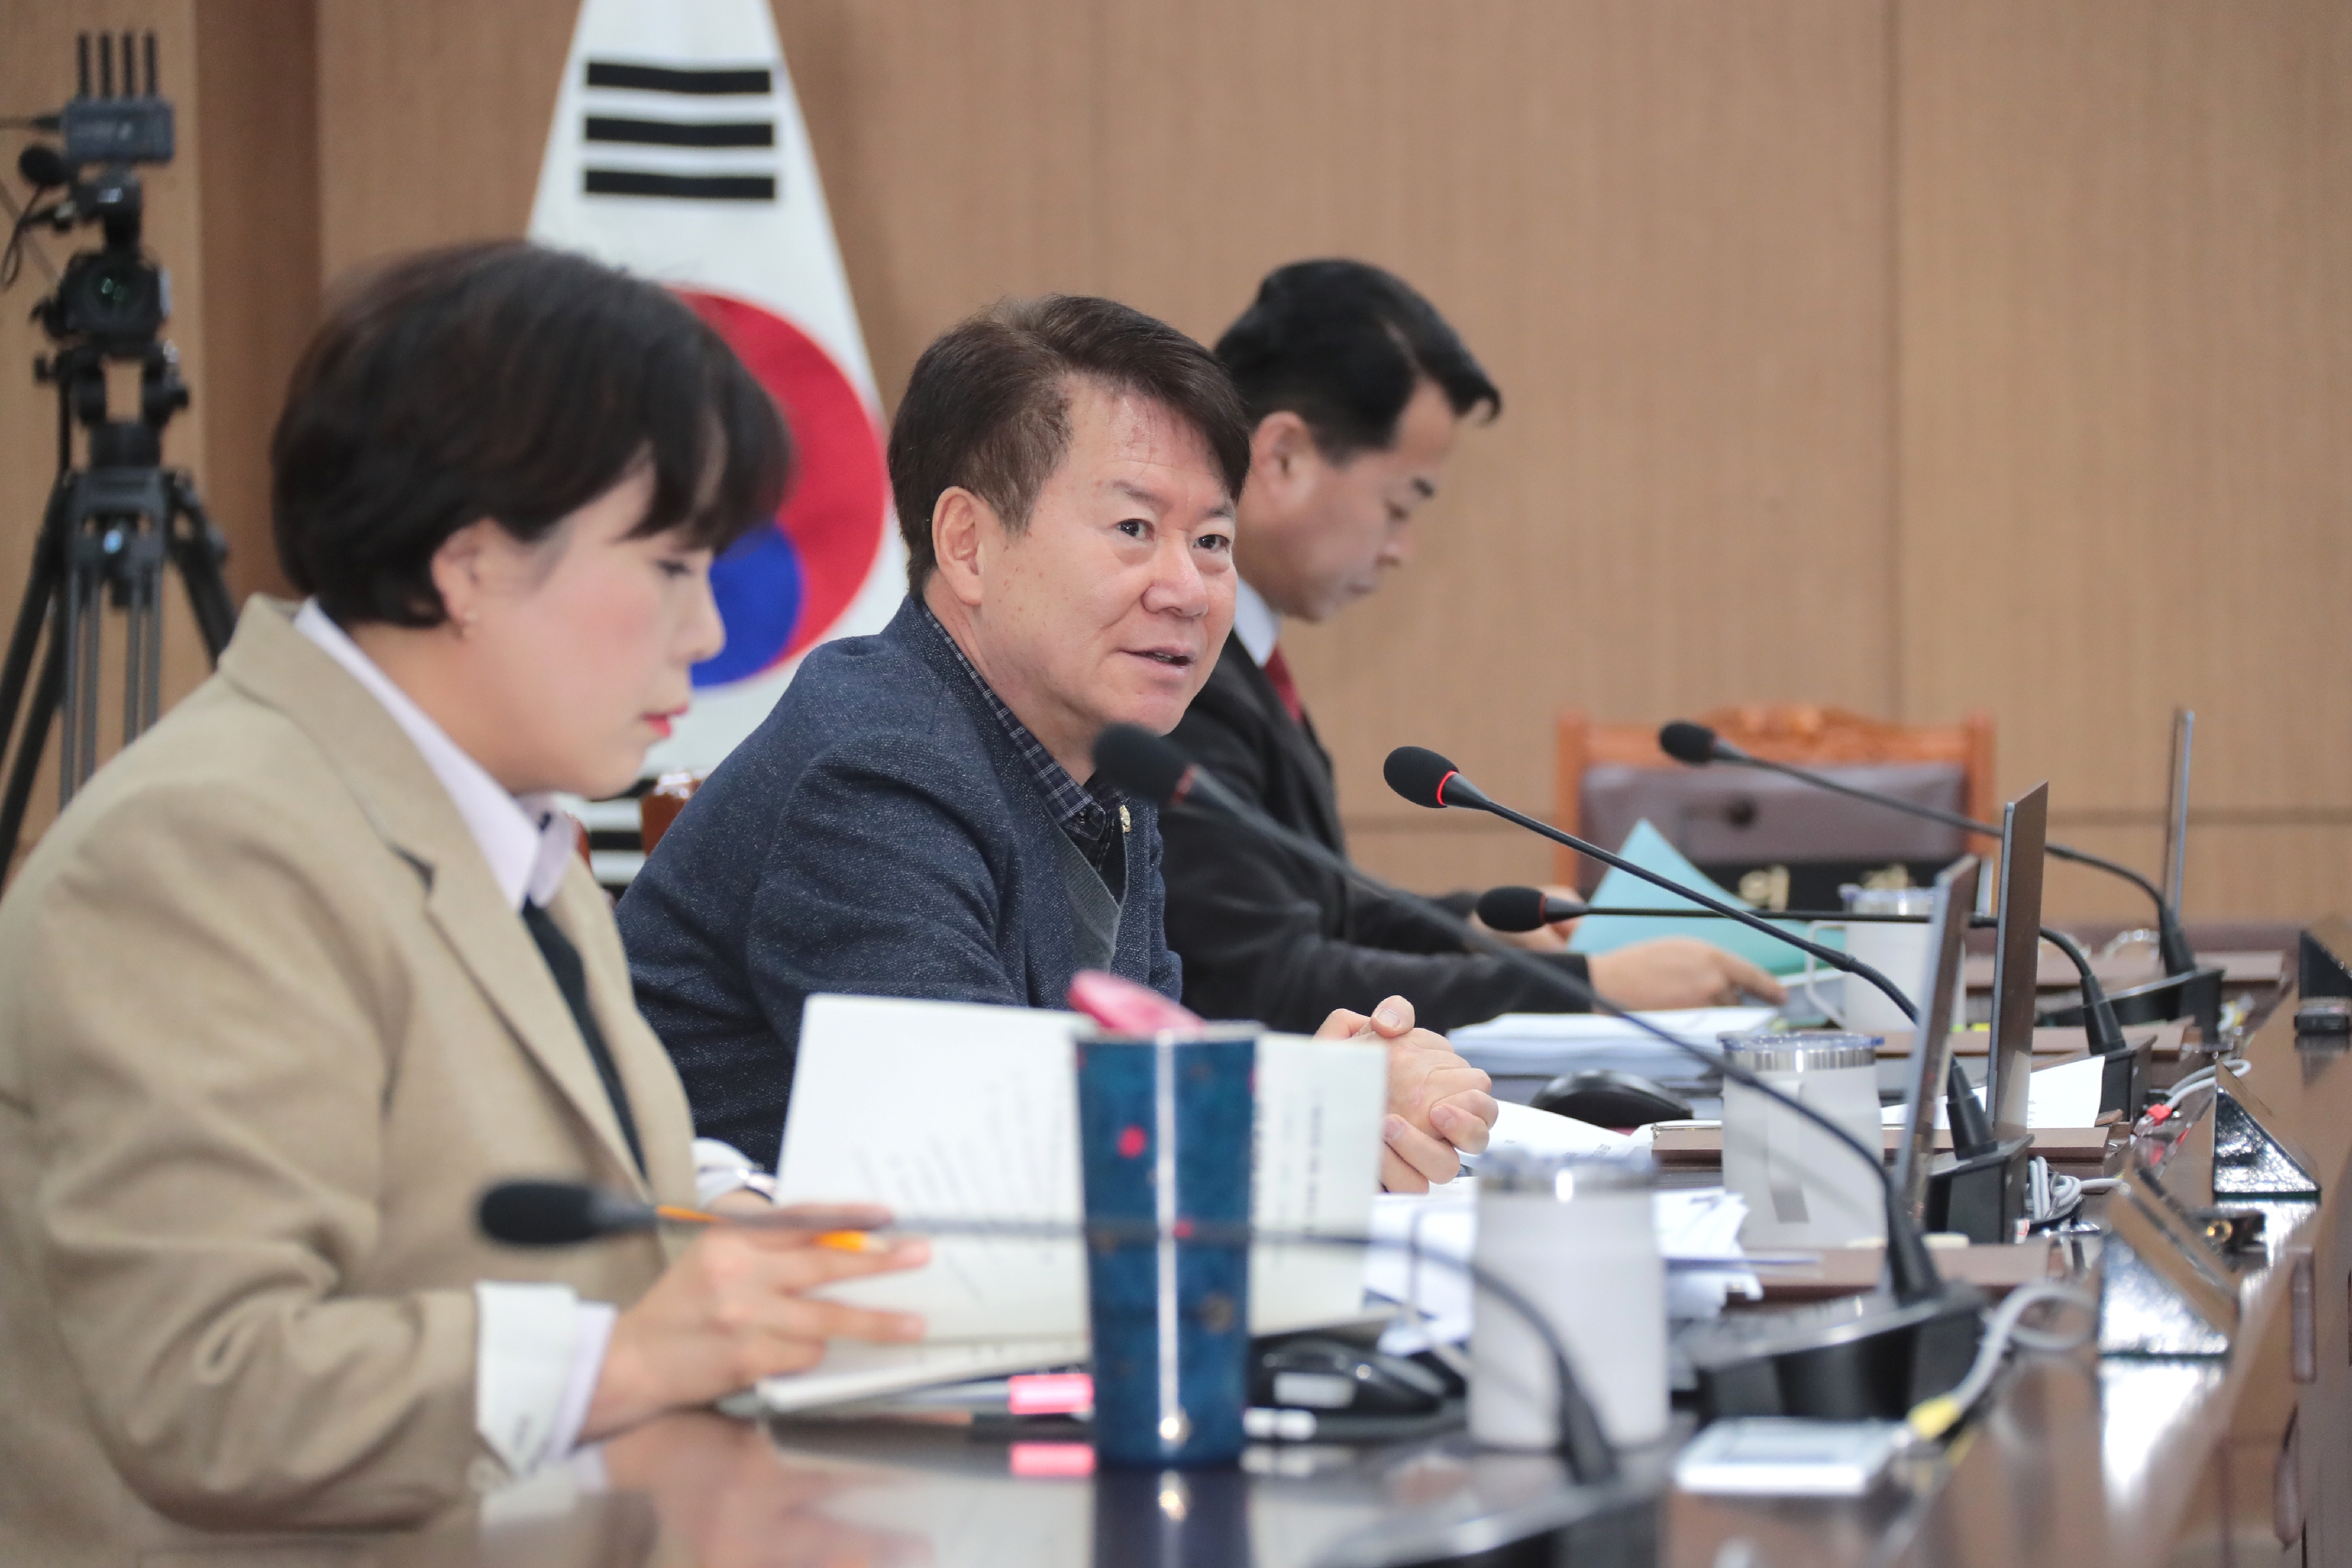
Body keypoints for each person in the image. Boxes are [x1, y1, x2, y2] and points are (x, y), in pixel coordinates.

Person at [0, 242, 930, 1564]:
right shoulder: (200, 847)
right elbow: (209, 1383)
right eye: (671, 566)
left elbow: (535, 1190)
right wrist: (630, 1352)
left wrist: (729, 1224)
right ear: (472, 562)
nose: (711, 634)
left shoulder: (507, 823)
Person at [621, 295, 1496, 1192]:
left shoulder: (1105, 764)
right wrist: (1312, 1109)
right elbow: (975, 1147)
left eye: (1211, 540)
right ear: (967, 544)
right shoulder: (874, 766)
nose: (1188, 590)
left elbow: (1131, 1073)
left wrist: (1335, 1096)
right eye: (1133, 529)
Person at [1163, 260, 1784, 1033]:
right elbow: (1265, 978)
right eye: (1399, 504)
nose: (1403, 549)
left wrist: (1471, 923)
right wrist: (1591, 984)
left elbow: (1312, 910)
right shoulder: (1174, 675)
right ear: (1282, 456)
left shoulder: (1243, 666)